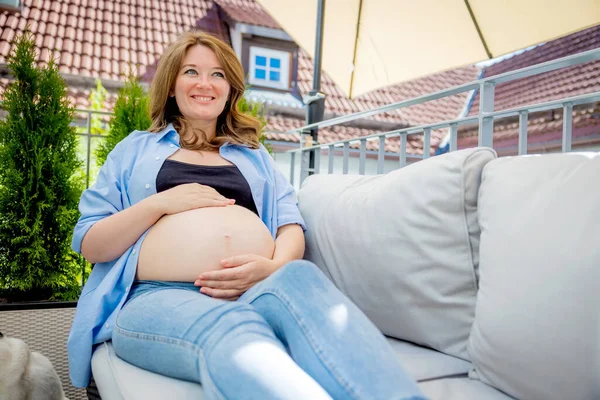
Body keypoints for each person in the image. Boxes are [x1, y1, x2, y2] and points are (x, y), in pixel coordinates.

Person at [67, 30, 426, 400]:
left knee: (301, 277)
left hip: (255, 290)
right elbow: (92, 244)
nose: (206, 83)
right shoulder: (134, 150)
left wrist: (273, 268)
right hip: (157, 296)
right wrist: (159, 203)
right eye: (191, 71)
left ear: (230, 90)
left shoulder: (254, 156)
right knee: (233, 327)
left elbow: (290, 225)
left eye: (218, 74)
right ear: (171, 86)